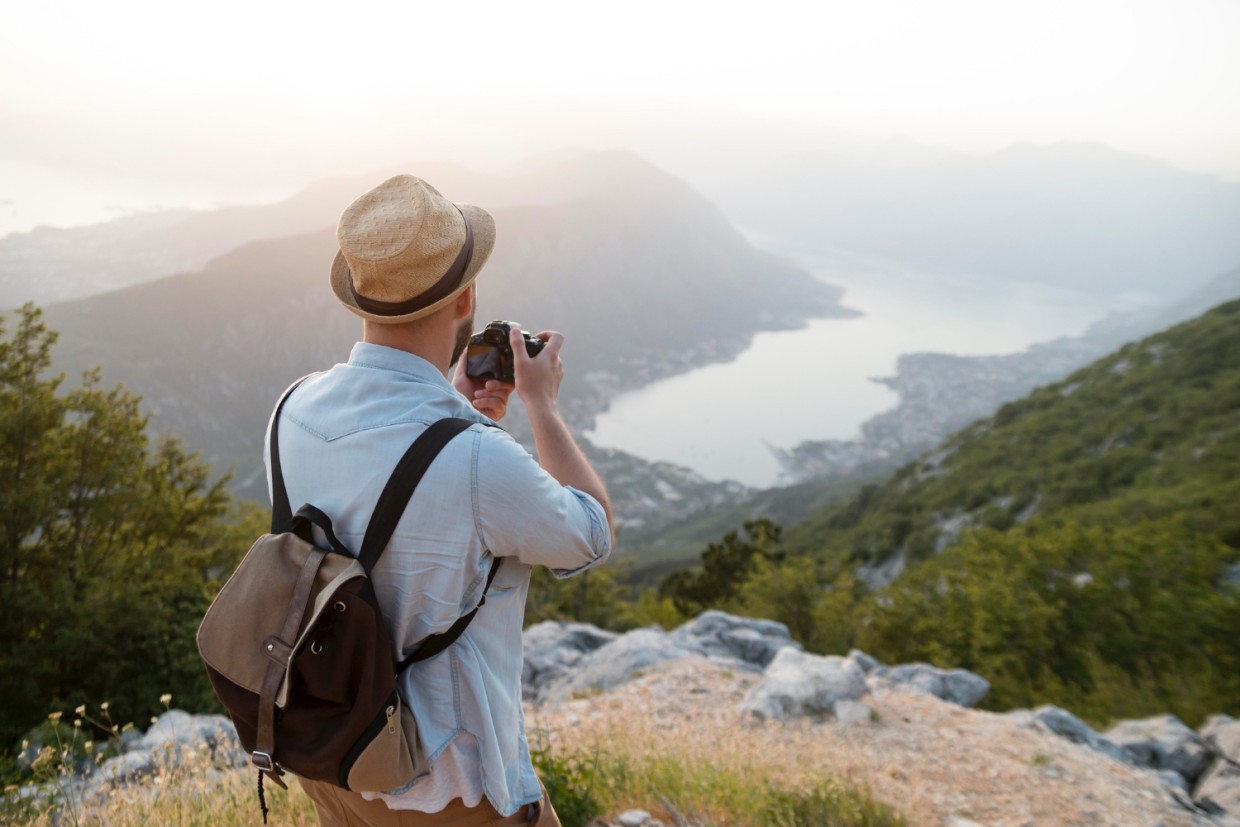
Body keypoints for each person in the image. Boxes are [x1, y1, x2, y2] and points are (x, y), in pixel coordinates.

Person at [265, 174, 615, 826]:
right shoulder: (476, 456)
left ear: (359, 297)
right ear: (467, 299)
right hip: (448, 786)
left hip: (332, 758)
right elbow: (591, 531)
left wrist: (454, 408)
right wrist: (541, 405)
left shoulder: (291, 409)